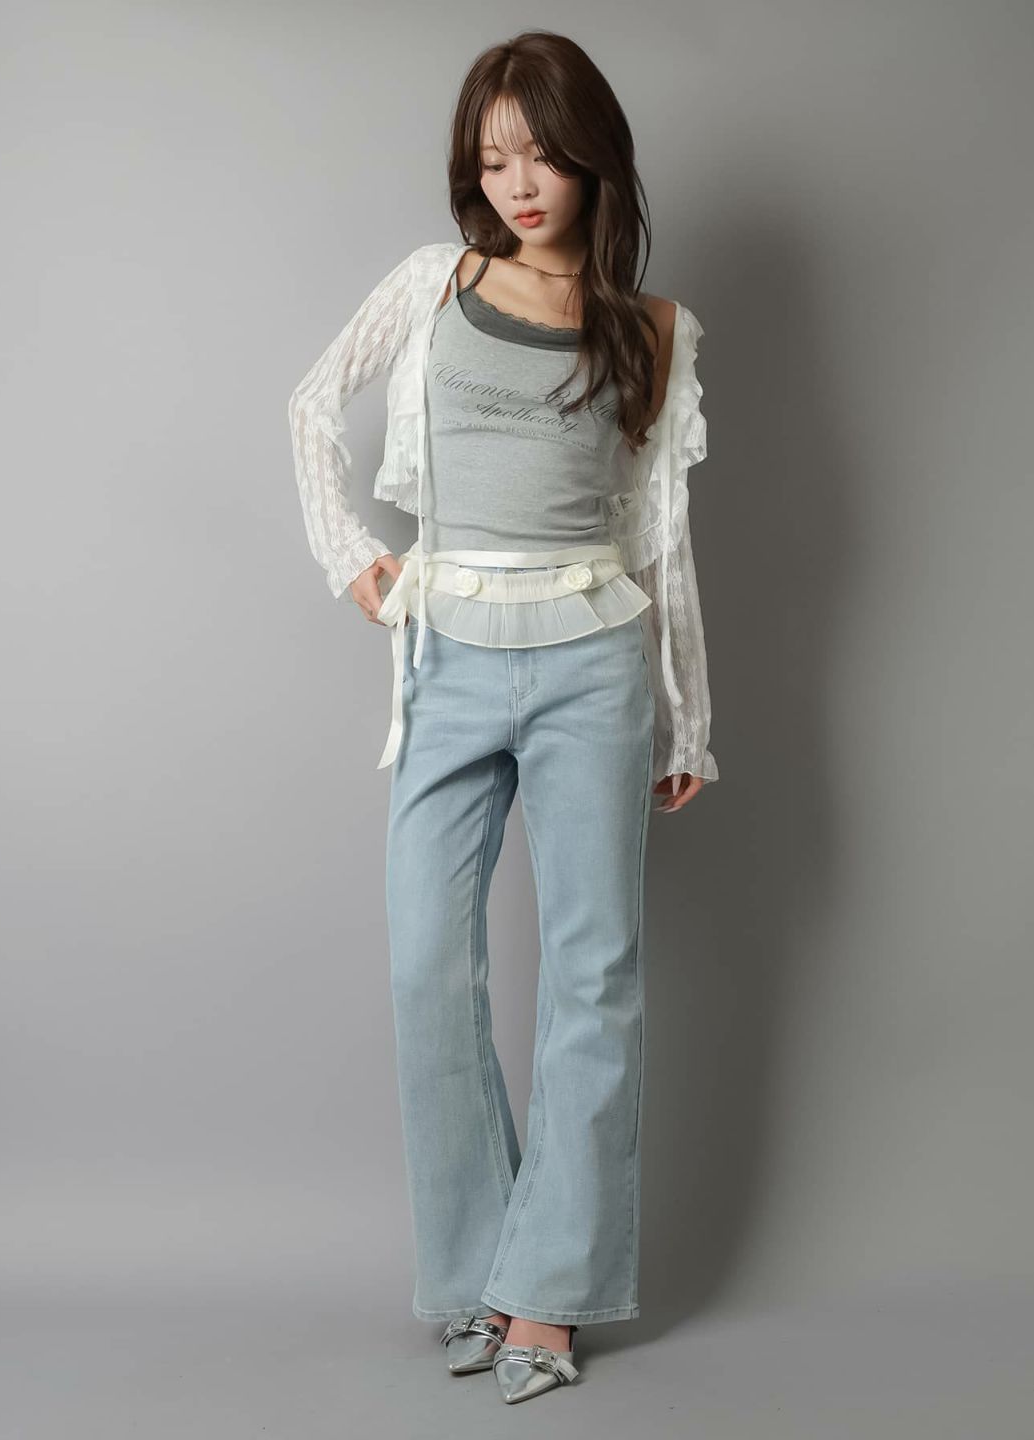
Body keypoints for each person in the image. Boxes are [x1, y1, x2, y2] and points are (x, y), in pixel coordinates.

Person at [287, 30, 718, 1405]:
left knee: (595, 974)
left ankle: (549, 1297)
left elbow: (660, 538)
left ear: (594, 159)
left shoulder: (653, 329)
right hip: (451, 654)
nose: (519, 184)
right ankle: (481, 1273)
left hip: (596, 656)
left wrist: (686, 718)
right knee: (431, 963)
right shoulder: (434, 282)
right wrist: (356, 562)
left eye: (542, 155)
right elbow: (311, 405)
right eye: (493, 159)